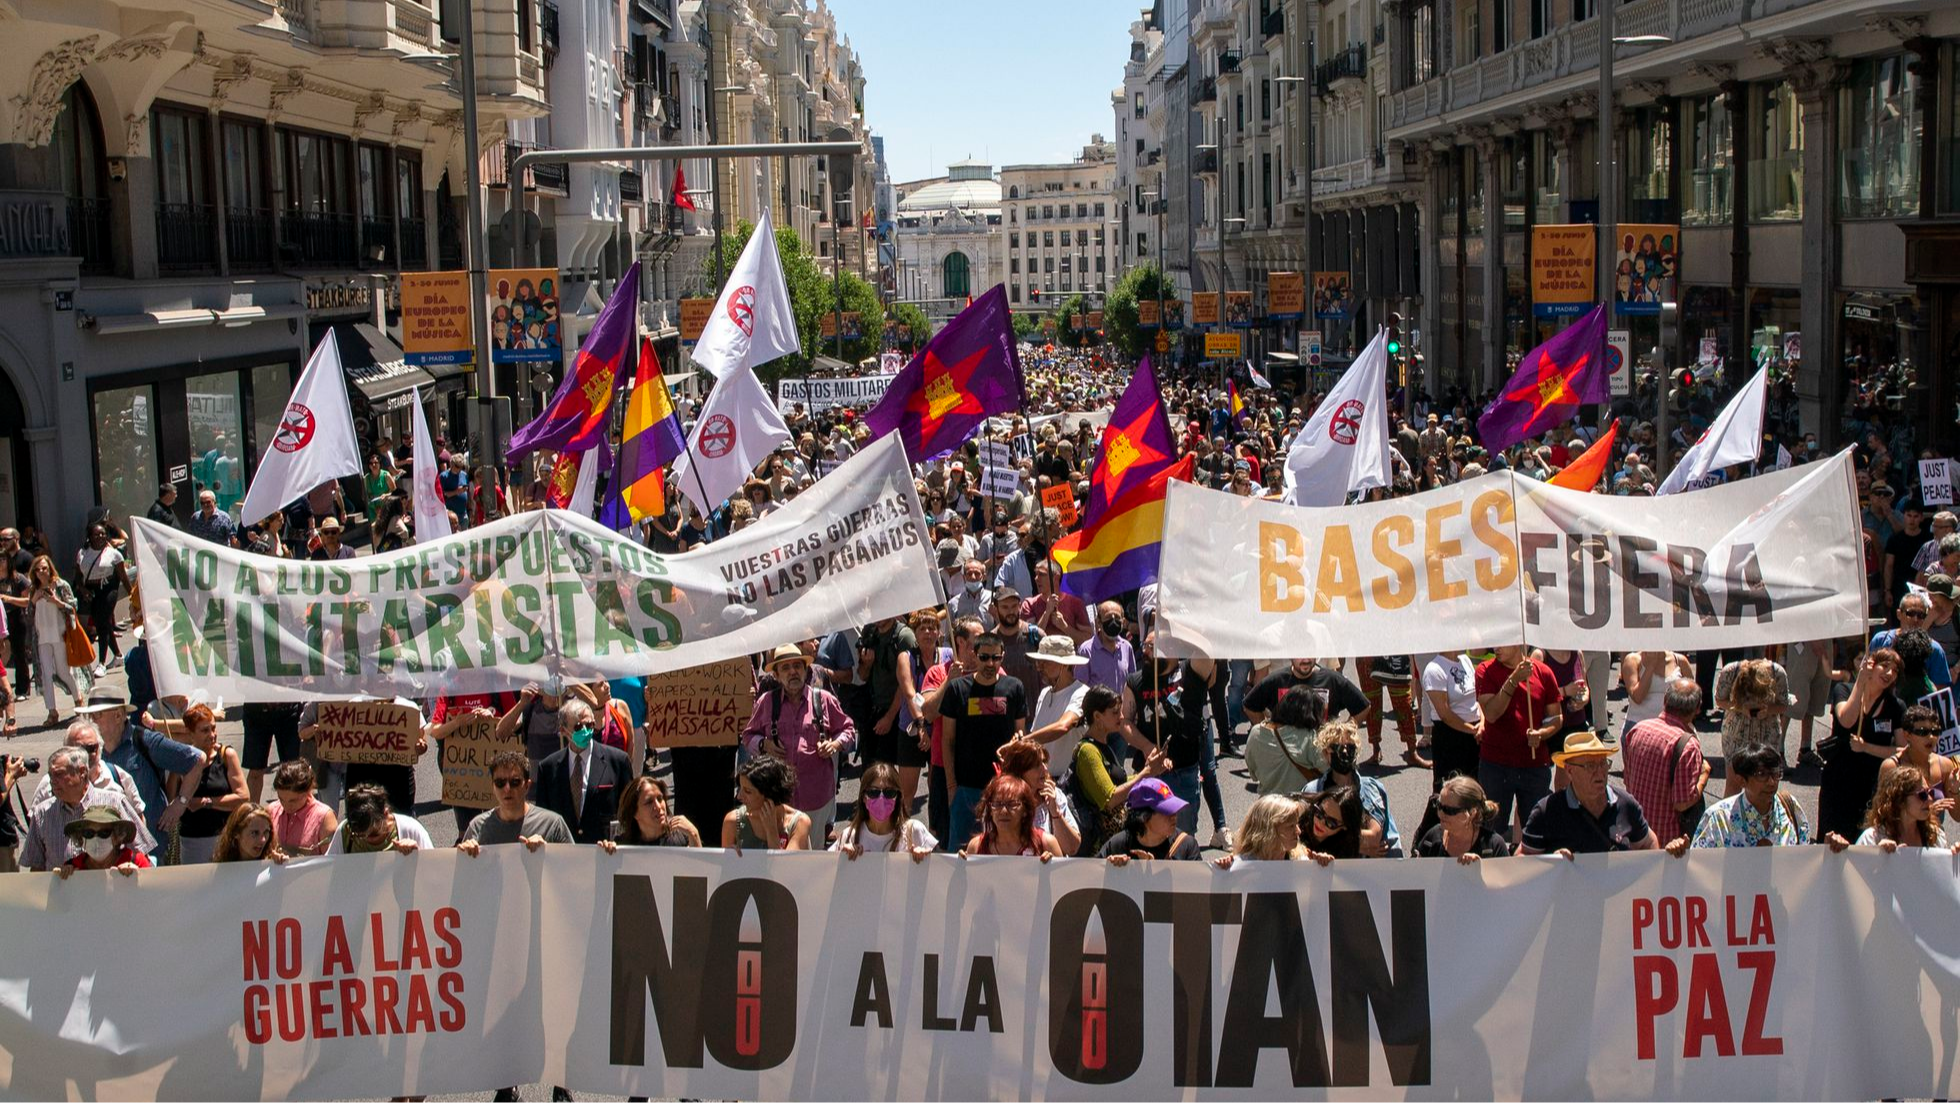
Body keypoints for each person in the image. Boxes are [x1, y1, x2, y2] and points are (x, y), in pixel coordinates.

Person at [741, 644, 854, 840]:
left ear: (805, 670)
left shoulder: (824, 700)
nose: (793, 671)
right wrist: (764, 745)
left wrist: (835, 744)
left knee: (814, 857)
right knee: (779, 856)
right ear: (776, 675)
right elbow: (748, 736)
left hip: (816, 797)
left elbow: (848, 729)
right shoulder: (766, 702)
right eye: (785, 667)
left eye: (797, 666)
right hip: (777, 800)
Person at [940, 631, 1028, 850]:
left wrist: (1018, 741)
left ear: (1002, 656)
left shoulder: (1014, 687)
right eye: (984, 657)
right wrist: (951, 785)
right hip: (966, 787)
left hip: (1003, 789)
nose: (990, 663)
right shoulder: (957, 689)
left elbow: (1021, 734)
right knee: (961, 852)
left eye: (995, 658)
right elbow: (947, 740)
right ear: (974, 655)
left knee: (1002, 849)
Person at [1519, 732, 1658, 858]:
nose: (1600, 772)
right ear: (1569, 771)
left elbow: (1648, 842)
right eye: (1590, 766)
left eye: (1603, 763)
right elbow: (1522, 859)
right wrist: (1552, 861)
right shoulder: (1547, 811)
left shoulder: (1626, 804)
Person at [1475, 644, 1564, 843]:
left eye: (1502, 643)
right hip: (1495, 765)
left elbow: (1556, 717)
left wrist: (1541, 733)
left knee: (1536, 829)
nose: (1496, 648)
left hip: (1534, 765)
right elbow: (1491, 713)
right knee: (1489, 831)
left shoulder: (1543, 672)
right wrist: (1513, 679)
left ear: (1518, 643)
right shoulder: (1485, 671)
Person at [1816, 647, 1906, 841]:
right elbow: (1846, 720)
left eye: (1895, 670)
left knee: (1862, 842)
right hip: (1839, 779)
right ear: (1871, 666)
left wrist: (1867, 748)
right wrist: (1860, 681)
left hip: (1871, 784)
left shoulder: (1896, 706)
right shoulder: (1844, 689)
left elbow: (1901, 750)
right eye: (1884, 666)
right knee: (1831, 839)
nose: (1889, 673)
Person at [1067, 685, 1167, 856]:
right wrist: (1145, 774)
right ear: (1097, 716)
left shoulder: (1103, 746)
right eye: (1114, 713)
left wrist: (1150, 772)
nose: (1121, 717)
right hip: (1100, 846)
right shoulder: (1088, 751)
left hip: (1115, 838)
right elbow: (1110, 798)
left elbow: (1118, 781)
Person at [22, 747, 154, 871]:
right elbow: (36, 868)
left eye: (59, 774)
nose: (52, 781)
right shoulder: (42, 813)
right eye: (51, 776)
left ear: (82, 772)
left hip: (118, 890)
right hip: (64, 893)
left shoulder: (116, 802)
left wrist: (132, 870)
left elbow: (142, 852)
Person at [1619, 678, 1711, 848]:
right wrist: (1704, 775)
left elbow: (1628, 781)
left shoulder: (1637, 729)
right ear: (1697, 709)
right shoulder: (1687, 745)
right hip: (1669, 841)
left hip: (1636, 832)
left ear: (1665, 701)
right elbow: (1683, 802)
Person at [534, 699, 632, 845]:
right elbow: (543, 817)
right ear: (563, 730)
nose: (585, 731)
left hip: (605, 852)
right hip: (565, 854)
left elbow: (630, 811)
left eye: (590, 725)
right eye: (578, 727)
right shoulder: (548, 768)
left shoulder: (617, 761)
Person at [1297, 721, 1402, 856]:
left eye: (1349, 746)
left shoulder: (1370, 788)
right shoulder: (1312, 790)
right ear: (1326, 753)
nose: (1345, 751)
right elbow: (1307, 835)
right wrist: (1355, 845)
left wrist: (1328, 836)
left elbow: (1373, 838)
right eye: (1337, 747)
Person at [1684, 742, 1810, 851]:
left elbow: (1805, 858)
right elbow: (1701, 866)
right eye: (1761, 774)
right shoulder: (1719, 818)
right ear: (1741, 780)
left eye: (1775, 774)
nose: (1771, 782)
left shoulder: (1788, 806)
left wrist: (1828, 849)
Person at [168, 702, 249, 864]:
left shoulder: (227, 755)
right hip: (192, 840)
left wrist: (207, 802)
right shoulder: (182, 761)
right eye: (205, 730)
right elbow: (170, 800)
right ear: (190, 734)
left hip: (225, 836)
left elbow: (243, 797)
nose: (212, 735)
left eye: (213, 728)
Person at [459, 751, 574, 855]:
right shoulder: (477, 828)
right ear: (493, 787)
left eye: (515, 782)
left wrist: (548, 852)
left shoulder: (552, 825)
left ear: (527, 786)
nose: (507, 788)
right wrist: (465, 854)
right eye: (500, 783)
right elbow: (461, 874)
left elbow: (574, 865)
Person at [1712, 657, 1792, 794]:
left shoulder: (1778, 673)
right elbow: (1719, 700)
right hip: (1736, 734)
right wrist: (1740, 707)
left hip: (1767, 735)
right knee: (1734, 784)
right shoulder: (1729, 671)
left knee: (1767, 784)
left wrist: (1768, 710)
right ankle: (1729, 815)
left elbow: (1784, 704)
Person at [831, 762, 936, 860]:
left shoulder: (914, 832)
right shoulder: (850, 836)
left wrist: (926, 858)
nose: (881, 798)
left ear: (898, 797)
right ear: (863, 797)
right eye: (873, 792)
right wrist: (840, 859)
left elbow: (940, 872)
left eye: (889, 792)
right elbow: (824, 870)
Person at [1840, 765, 1959, 852]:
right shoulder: (1872, 838)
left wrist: (1954, 859)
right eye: (1922, 795)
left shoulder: (1935, 835)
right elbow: (1857, 877)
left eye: (1931, 793)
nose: (1930, 800)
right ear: (1900, 800)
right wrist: (1879, 857)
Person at [995, 739, 1080, 856]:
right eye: (1036, 765)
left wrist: (1055, 812)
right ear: (1020, 771)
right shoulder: (1001, 802)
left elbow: (1072, 848)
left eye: (1044, 762)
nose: (1044, 769)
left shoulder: (1054, 795)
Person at [24, 554, 81, 726]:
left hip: (60, 634)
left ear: (50, 569)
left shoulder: (60, 585)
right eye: (38, 569)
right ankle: (52, 712)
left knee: (64, 671)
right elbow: (28, 616)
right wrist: (33, 601)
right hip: (42, 638)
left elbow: (73, 607)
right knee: (45, 674)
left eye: (44, 568)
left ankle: (78, 701)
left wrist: (56, 601)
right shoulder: (34, 589)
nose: (41, 572)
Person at [1242, 657, 1371, 729]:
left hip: (1321, 759)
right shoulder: (1277, 680)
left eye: (1309, 653)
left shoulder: (1332, 679)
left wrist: (1344, 733)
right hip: (1287, 760)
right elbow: (1250, 706)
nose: (1305, 659)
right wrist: (1267, 733)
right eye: (1300, 655)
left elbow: (1363, 707)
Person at [1244, 683, 1325, 795]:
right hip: (1299, 805)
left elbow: (1253, 773)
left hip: (1267, 805)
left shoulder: (1256, 732)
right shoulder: (1310, 737)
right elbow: (1327, 770)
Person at [1421, 648, 1484, 790]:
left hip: (1475, 735)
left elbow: (1477, 698)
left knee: (1475, 788)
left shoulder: (1465, 660)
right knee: (1452, 790)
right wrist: (1471, 729)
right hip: (1450, 737)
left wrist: (1482, 724)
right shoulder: (1434, 669)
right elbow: (1444, 713)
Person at [1098, 778, 1201, 864]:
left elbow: (1200, 885)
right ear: (1143, 817)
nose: (1174, 816)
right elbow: (1090, 877)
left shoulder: (1187, 846)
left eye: (1174, 809)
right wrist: (1108, 870)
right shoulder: (1118, 846)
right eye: (1166, 811)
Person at [960, 773, 1063, 859]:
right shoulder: (976, 847)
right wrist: (959, 868)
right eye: (997, 804)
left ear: (1025, 810)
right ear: (990, 810)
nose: (1004, 811)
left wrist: (1050, 868)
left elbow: (1064, 881)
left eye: (1012, 804)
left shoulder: (1046, 844)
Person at [722, 755, 812, 852]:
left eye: (748, 791)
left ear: (770, 794)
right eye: (740, 788)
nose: (739, 796)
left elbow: (785, 865)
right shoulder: (734, 821)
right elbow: (727, 865)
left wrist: (771, 831)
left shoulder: (799, 822)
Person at [1413, 776, 1512, 863]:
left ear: (1472, 812)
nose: (1441, 813)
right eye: (1439, 805)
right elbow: (1417, 877)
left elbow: (1508, 881)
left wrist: (1482, 868)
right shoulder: (1432, 838)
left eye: (1449, 810)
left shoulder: (1493, 845)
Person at [74, 523, 127, 674]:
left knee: (103, 623)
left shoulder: (114, 554)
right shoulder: (82, 553)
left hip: (108, 590)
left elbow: (123, 577)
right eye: (97, 534)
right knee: (102, 623)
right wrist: (83, 589)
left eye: (103, 534)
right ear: (90, 537)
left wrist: (133, 595)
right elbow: (78, 576)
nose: (101, 537)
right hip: (91, 591)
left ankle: (102, 663)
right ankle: (118, 655)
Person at [324, 783, 433, 854]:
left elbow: (434, 872)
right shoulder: (345, 831)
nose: (367, 839)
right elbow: (328, 871)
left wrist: (417, 854)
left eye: (374, 834)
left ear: (386, 813)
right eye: (360, 835)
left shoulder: (411, 829)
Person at [598, 776, 702, 850]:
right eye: (649, 802)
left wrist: (694, 834)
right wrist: (606, 852)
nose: (658, 806)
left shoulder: (683, 837)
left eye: (660, 799)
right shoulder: (623, 845)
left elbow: (700, 872)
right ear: (634, 813)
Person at [1359, 655, 1427, 767]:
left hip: (1394, 654)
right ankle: (1375, 750)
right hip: (1367, 653)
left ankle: (1412, 752)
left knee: (1404, 703)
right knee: (1371, 703)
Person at [54, 804, 148, 878]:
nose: (96, 839)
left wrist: (140, 876)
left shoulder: (136, 861)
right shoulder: (73, 866)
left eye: (104, 833)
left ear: (118, 836)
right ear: (81, 838)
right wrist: (64, 878)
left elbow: (154, 894)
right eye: (88, 833)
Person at [267, 760, 337, 856]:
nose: (286, 806)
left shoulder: (324, 818)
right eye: (281, 799)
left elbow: (332, 860)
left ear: (308, 791)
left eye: (293, 801)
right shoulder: (271, 811)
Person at [1219, 795, 1312, 863]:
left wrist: (1322, 866)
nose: (1298, 831)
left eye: (1297, 824)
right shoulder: (1242, 866)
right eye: (1291, 826)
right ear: (1269, 830)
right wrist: (1222, 872)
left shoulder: (1300, 861)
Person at [1075, 601, 1136, 692]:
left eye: (1117, 617)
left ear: (1123, 622)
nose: (1113, 622)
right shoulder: (1086, 650)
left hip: (1121, 706)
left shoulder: (1127, 647)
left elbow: (1132, 682)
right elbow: (1079, 687)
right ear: (1098, 622)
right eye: (1108, 617)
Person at [1298, 785, 1365, 862]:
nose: (1321, 822)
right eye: (1319, 813)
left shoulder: (1347, 846)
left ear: (1345, 826)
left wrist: (1329, 866)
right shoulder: (1298, 819)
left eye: (1331, 822)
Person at [213, 803, 289, 864]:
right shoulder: (221, 868)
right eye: (255, 833)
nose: (263, 840)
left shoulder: (272, 863)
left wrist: (282, 864)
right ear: (236, 833)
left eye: (266, 832)